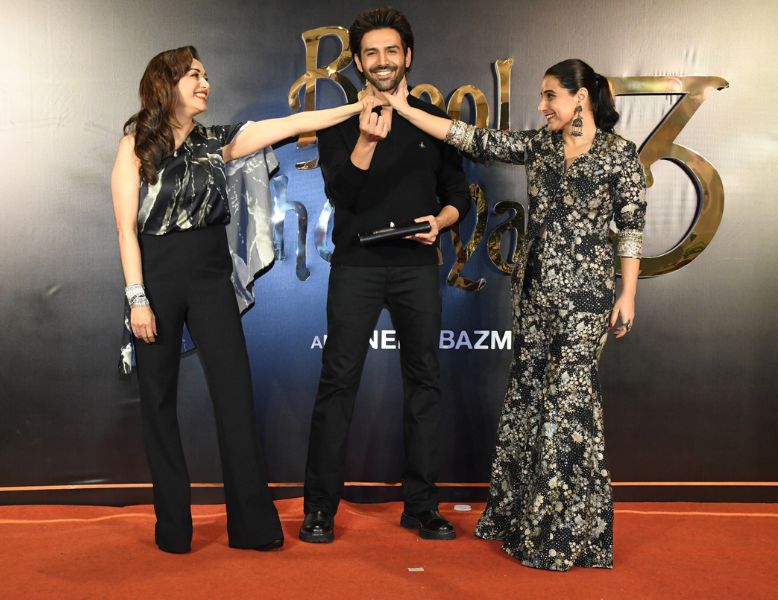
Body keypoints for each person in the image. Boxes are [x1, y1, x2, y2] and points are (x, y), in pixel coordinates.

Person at [111, 45, 378, 554]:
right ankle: (173, 529)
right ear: (166, 82)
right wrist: (137, 298)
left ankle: (253, 526)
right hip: (156, 279)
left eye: (206, 75)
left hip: (211, 278)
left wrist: (355, 108)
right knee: (158, 404)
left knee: (234, 398)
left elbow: (291, 123)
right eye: (194, 75)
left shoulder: (218, 142)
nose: (205, 83)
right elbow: (126, 229)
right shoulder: (135, 145)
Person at [383, 59, 647, 570]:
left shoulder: (620, 156)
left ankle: (563, 536)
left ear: (580, 97)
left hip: (586, 298)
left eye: (550, 96)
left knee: (568, 408)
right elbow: (471, 138)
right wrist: (405, 109)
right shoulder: (540, 146)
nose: (542, 106)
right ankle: (519, 517)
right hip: (533, 295)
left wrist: (629, 294)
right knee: (529, 398)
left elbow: (631, 230)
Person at [300, 7, 471, 543]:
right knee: (337, 384)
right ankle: (320, 509)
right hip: (357, 268)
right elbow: (342, 195)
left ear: (407, 57)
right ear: (357, 62)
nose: (381, 61)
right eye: (371, 52)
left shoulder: (431, 120)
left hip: (417, 268)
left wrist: (441, 222)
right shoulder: (339, 121)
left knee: (424, 383)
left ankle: (422, 507)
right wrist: (367, 141)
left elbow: (458, 195)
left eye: (391, 50)